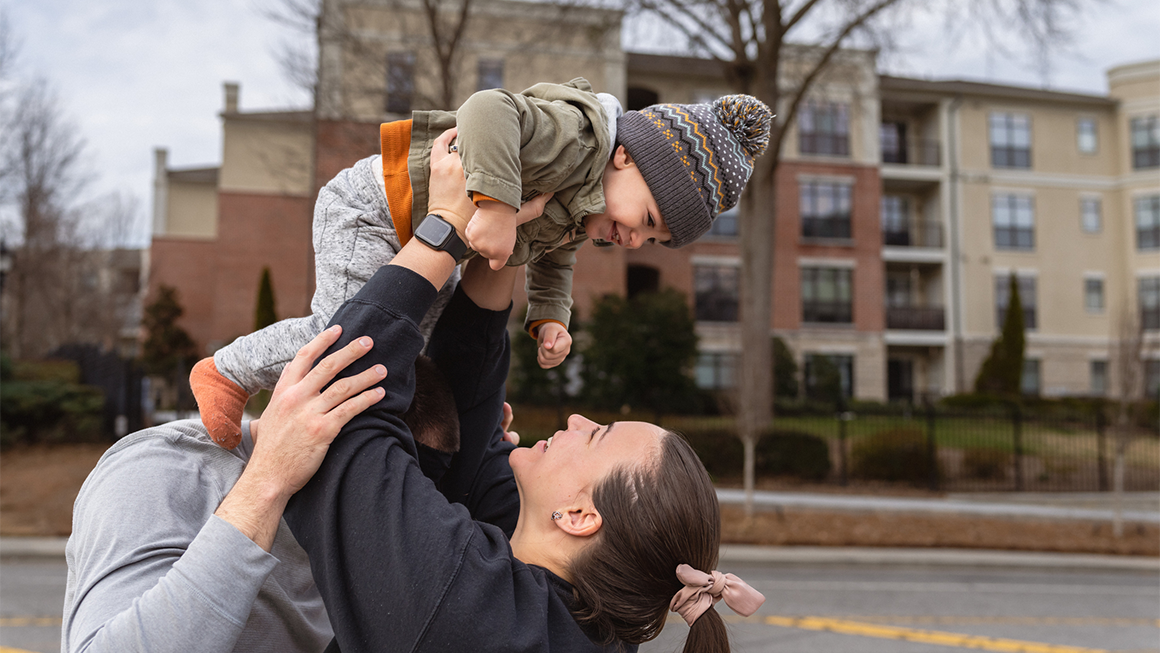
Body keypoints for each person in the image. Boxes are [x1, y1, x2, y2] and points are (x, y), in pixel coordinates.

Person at [267, 129, 765, 653]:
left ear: (579, 517)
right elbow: (472, 450)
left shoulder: (463, 605)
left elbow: (338, 412)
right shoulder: (584, 614)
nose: (576, 421)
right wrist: (514, 235)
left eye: (595, 437)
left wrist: (448, 226)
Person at [190, 79, 773, 449]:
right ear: (626, 156)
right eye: (648, 219)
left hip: (427, 240)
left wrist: (551, 316)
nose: (637, 241)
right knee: (349, 335)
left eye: (654, 241)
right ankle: (228, 371)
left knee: (403, 348)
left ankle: (452, 423)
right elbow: (489, 108)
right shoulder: (578, 137)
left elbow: (553, 258)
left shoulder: (584, 208)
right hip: (377, 206)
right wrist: (494, 207)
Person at [60, 343, 463, 653]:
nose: (390, 518)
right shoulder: (163, 470)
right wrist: (269, 481)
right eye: (384, 494)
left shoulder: (366, 528)